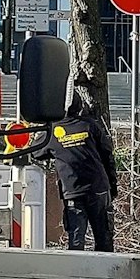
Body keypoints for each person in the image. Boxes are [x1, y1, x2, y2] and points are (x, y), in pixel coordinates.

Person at [39, 95, 119, 252]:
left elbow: (35, 152)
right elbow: (107, 155)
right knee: (104, 239)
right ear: (79, 106)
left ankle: (78, 274)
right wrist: (112, 185)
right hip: (98, 189)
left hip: (73, 192)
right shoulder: (90, 125)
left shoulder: (52, 131)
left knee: (76, 242)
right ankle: (104, 274)